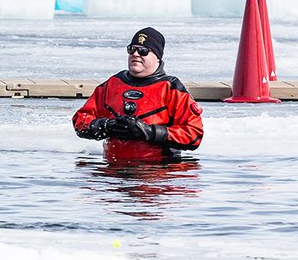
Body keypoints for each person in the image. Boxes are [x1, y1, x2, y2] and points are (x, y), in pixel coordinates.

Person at [72, 27, 203, 161]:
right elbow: (80, 120)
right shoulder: (112, 84)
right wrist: (107, 125)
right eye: (131, 49)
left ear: (157, 57)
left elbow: (194, 135)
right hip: (112, 173)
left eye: (143, 51)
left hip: (158, 173)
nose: (135, 54)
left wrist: (147, 131)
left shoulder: (172, 89)